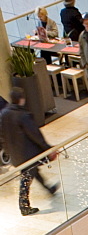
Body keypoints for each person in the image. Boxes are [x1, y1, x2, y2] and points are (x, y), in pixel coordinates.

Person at [0, 87, 59, 215]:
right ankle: (24, 206)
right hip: (27, 153)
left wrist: (7, 150)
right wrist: (48, 148)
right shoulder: (23, 115)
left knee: (33, 171)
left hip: (15, 153)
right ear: (22, 99)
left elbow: (2, 135)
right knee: (27, 177)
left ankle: (49, 188)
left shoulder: (4, 113)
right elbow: (35, 135)